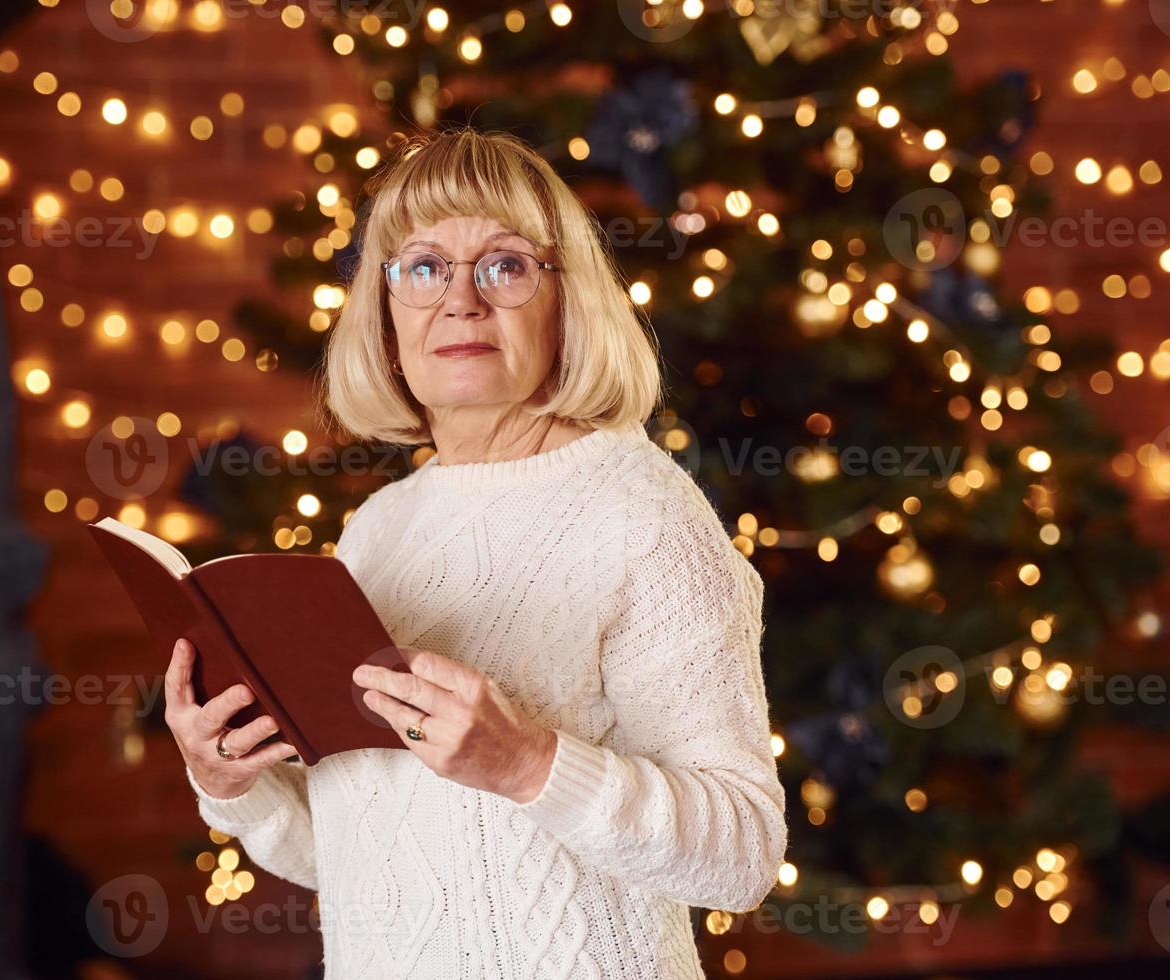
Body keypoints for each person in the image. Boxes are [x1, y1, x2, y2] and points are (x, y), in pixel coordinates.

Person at [163, 127, 786, 979]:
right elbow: (351, 854)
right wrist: (231, 779)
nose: (460, 300)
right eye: (422, 267)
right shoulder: (378, 527)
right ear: (384, 314)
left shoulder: (643, 514)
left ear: (566, 300)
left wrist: (530, 763)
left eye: (504, 264)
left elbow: (743, 854)